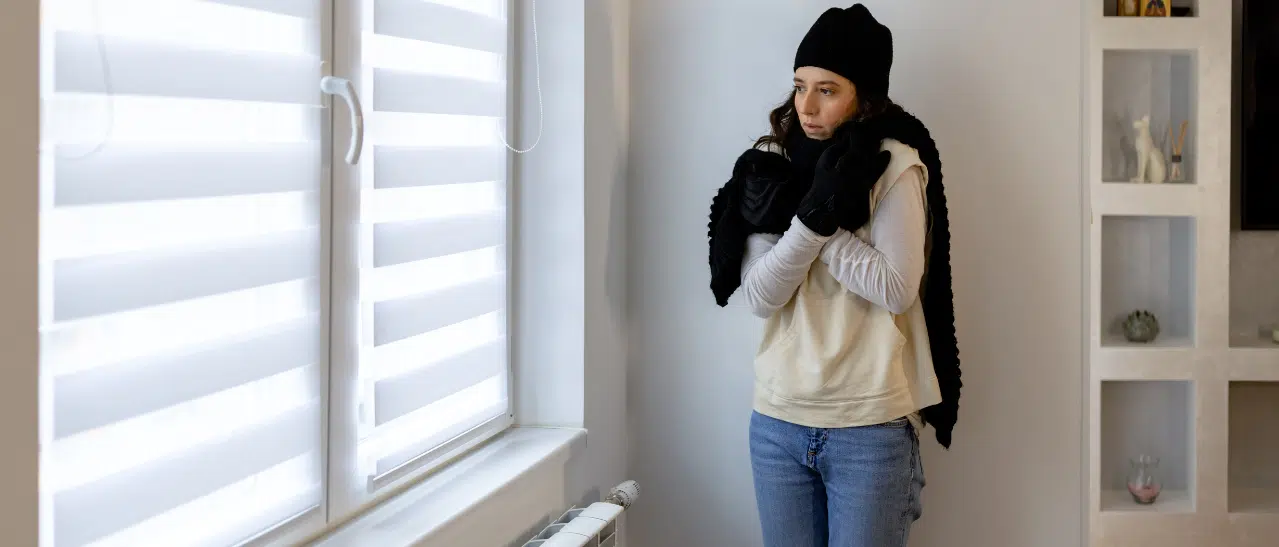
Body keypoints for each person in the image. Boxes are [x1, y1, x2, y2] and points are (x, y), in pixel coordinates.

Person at [705, 5, 961, 546]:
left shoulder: (893, 164)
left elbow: (896, 287)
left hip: (870, 427)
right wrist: (814, 213)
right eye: (800, 87)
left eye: (828, 90)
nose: (806, 106)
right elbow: (759, 294)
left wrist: (816, 223)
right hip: (777, 422)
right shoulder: (769, 163)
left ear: (864, 98)